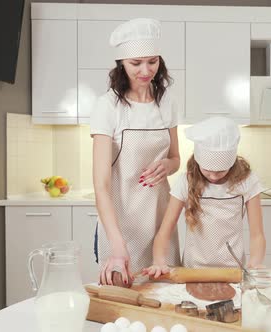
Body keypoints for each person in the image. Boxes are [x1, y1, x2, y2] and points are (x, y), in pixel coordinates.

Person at [90, 18, 181, 285]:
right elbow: (101, 186)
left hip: (160, 222)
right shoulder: (107, 107)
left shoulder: (167, 103)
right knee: (122, 309)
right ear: (121, 64)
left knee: (163, 301)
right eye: (136, 63)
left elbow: (176, 158)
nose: (146, 70)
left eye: (152, 62)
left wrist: (168, 165)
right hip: (121, 224)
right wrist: (117, 245)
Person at [144, 117, 266, 277]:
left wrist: (255, 263)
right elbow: (164, 231)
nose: (214, 177)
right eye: (208, 170)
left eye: (221, 171)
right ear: (198, 160)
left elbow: (257, 235)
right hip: (193, 271)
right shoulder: (186, 182)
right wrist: (159, 261)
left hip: (232, 272)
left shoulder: (247, 181)